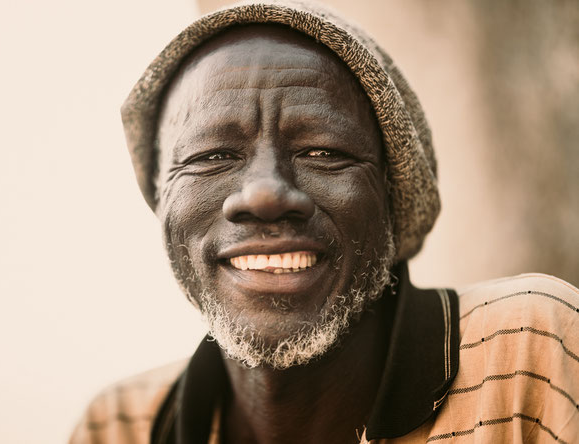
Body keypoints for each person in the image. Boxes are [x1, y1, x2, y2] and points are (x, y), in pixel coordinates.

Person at [69, 1, 579, 443]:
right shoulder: (121, 425)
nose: (265, 195)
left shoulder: (531, 350)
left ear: (390, 195)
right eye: (211, 156)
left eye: (322, 151)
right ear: (163, 202)